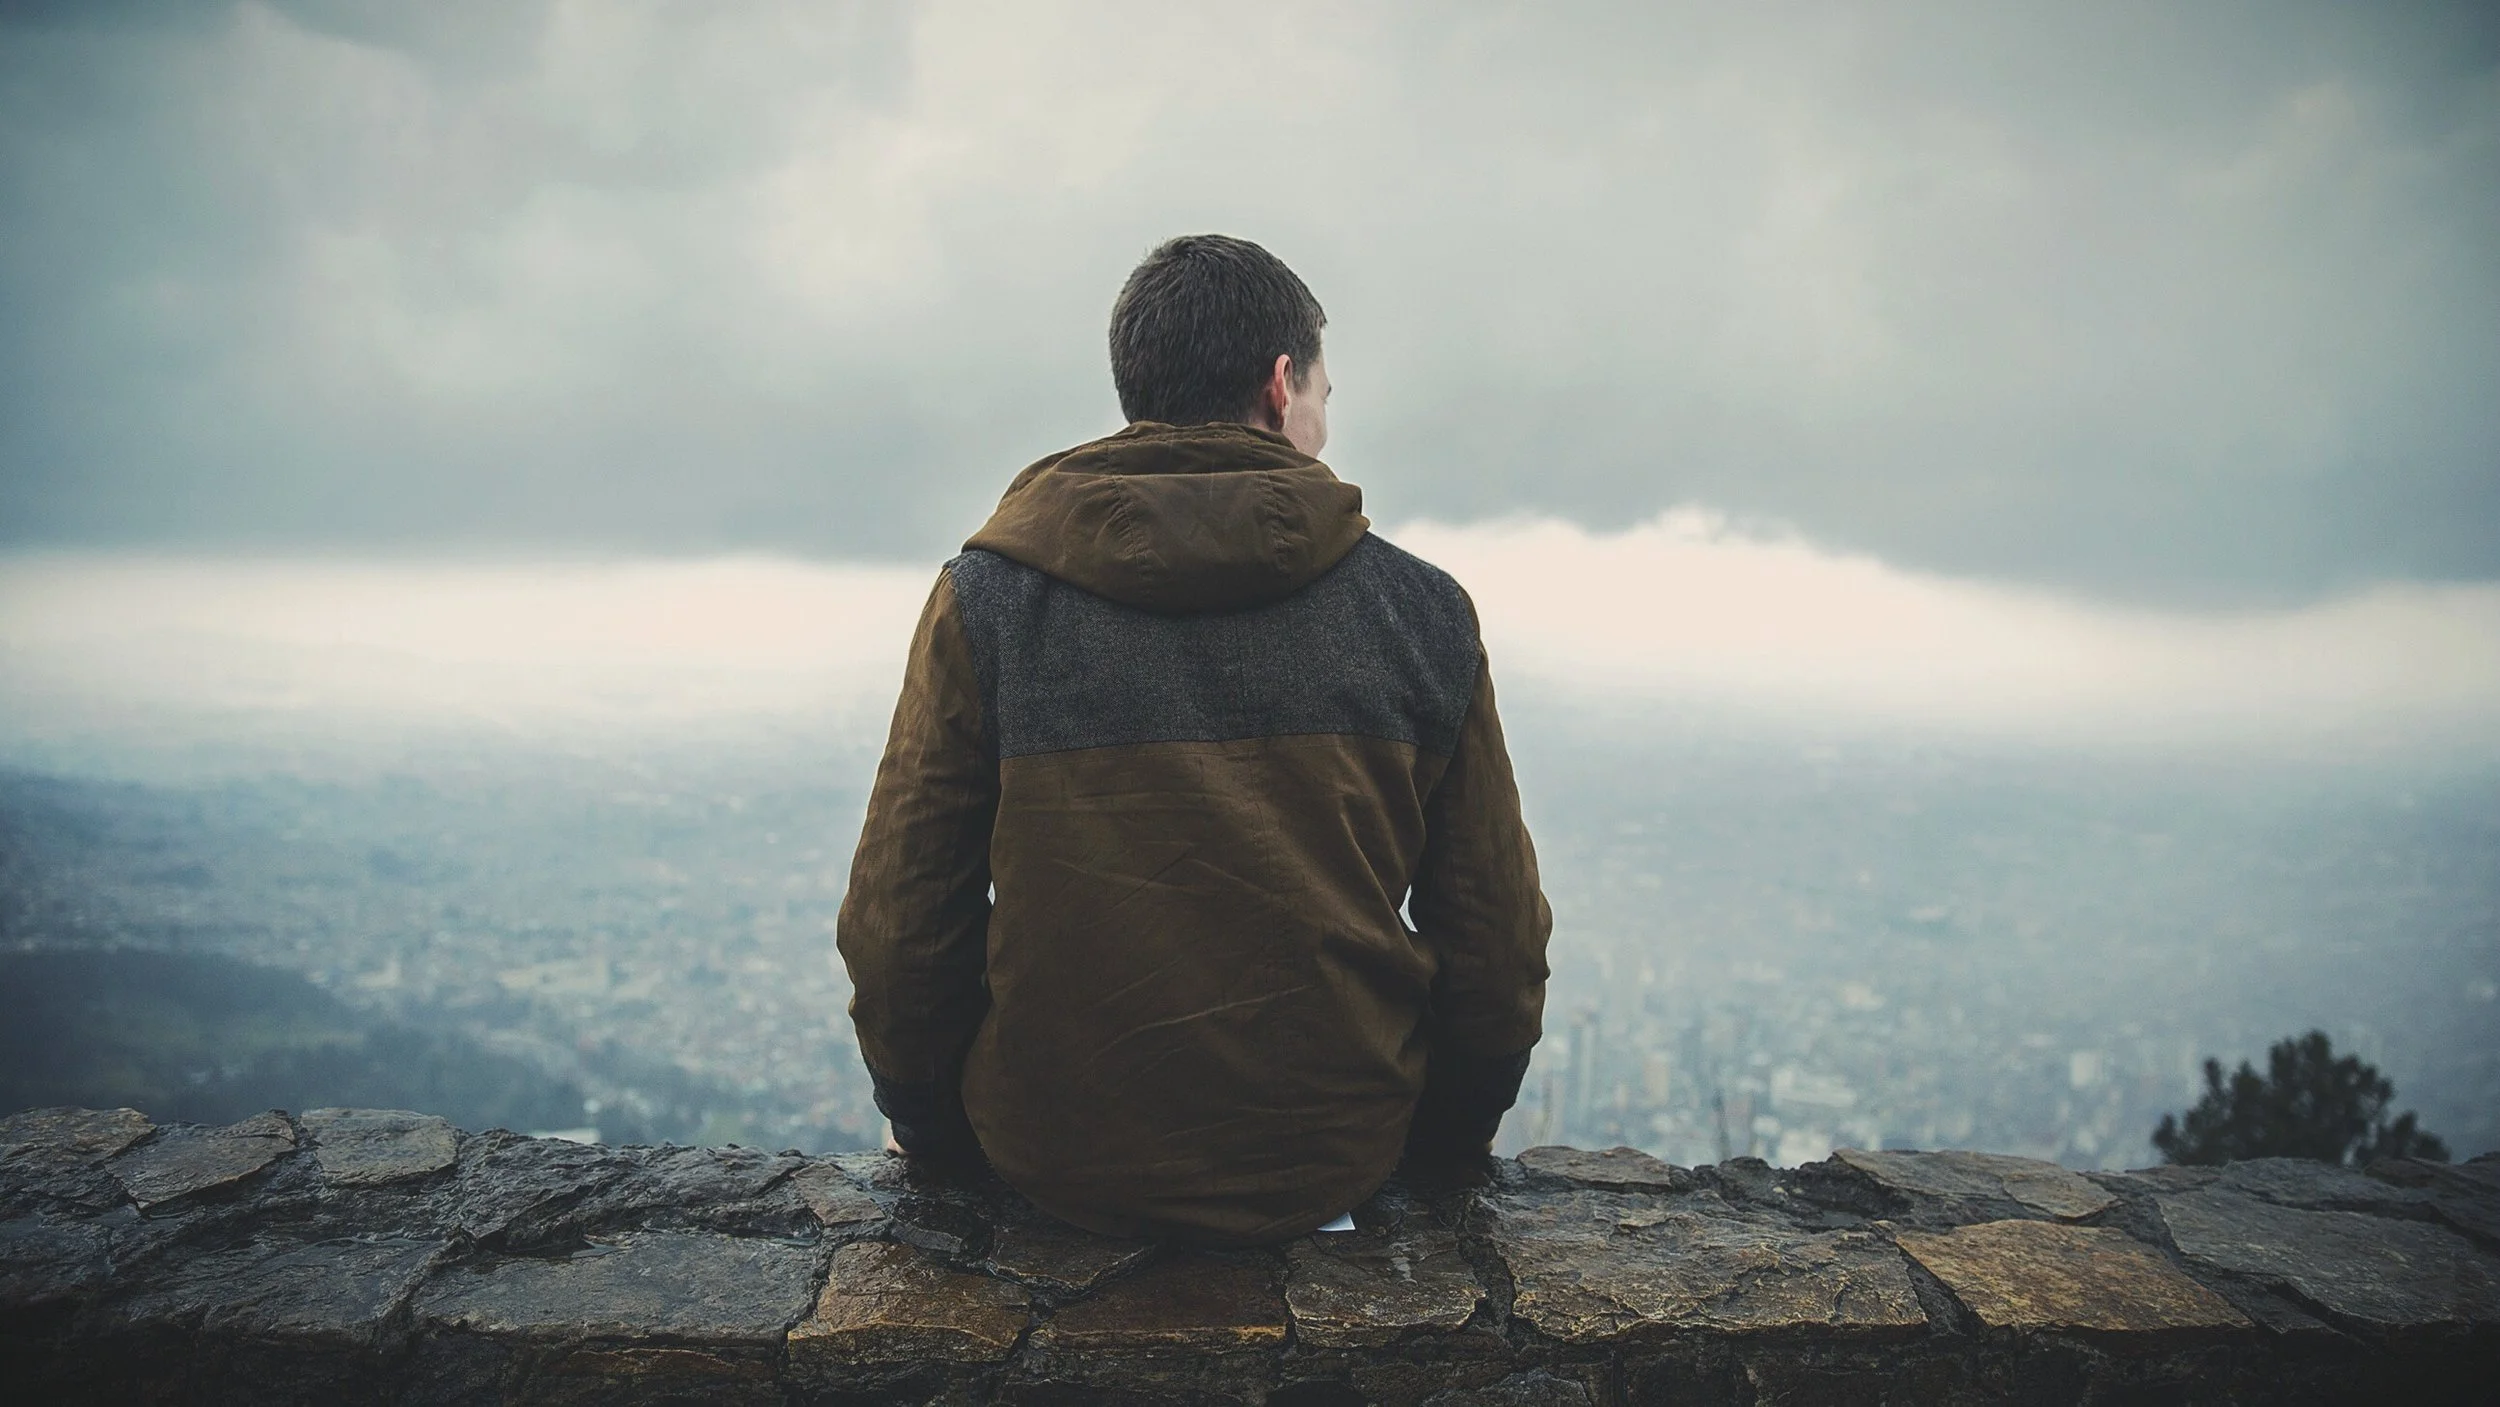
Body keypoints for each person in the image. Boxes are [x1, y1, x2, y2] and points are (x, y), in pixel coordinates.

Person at [836, 233, 1551, 1245]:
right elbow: (1496, 942)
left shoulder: (986, 602)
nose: (1320, 420)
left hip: (1050, 1161)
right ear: (1278, 387)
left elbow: (899, 922)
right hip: (1334, 1164)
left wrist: (935, 1128)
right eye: (1322, 396)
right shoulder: (1421, 614)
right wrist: (1438, 1146)